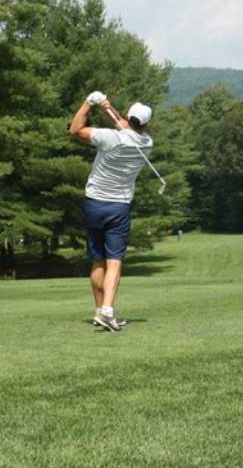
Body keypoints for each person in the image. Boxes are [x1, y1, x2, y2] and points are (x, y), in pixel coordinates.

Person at [68, 92, 154, 332]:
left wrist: (89, 102)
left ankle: (100, 311)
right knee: (114, 260)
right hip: (119, 206)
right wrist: (108, 107)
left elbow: (75, 130)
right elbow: (125, 126)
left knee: (98, 260)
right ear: (146, 124)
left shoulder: (109, 138)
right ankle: (107, 311)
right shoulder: (146, 143)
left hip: (93, 203)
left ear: (129, 117)